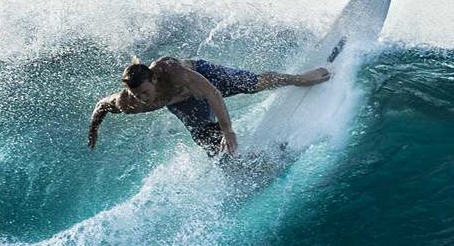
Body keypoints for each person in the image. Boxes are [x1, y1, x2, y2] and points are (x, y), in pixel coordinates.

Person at [87, 56, 330, 157]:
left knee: (252, 83)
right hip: (183, 106)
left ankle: (299, 79)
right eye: (137, 95)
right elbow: (102, 106)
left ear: (153, 79)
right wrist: (93, 129)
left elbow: (212, 94)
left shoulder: (172, 71)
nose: (143, 99)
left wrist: (228, 130)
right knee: (209, 143)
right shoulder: (129, 102)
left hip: (205, 79)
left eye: (145, 93)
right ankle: (246, 166)